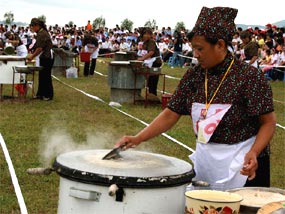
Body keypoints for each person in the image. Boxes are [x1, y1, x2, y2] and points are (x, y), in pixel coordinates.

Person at [115, 6, 276, 191]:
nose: (196, 54)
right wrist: (138, 138)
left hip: (244, 162)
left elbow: (268, 123)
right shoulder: (194, 76)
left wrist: (254, 152)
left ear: (221, 45)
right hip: (207, 160)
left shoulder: (249, 77)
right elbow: (170, 114)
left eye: (200, 48)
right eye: (193, 48)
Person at [27, 18, 54, 101]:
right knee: (41, 76)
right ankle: (40, 94)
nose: (32, 29)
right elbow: (36, 45)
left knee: (46, 76)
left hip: (47, 57)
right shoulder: (40, 33)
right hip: (44, 57)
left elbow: (39, 48)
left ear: (37, 26)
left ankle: (48, 95)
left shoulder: (42, 34)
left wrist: (32, 56)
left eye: (32, 26)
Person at [137, 27, 162, 96]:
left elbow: (151, 52)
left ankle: (153, 96)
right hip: (149, 62)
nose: (147, 36)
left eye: (149, 34)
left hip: (155, 62)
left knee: (153, 81)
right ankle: (150, 96)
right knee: (149, 81)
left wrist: (142, 59)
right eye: (145, 34)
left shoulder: (151, 41)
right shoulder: (144, 43)